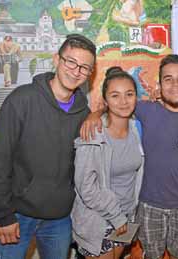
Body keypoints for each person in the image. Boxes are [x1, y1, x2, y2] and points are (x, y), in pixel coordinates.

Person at [80, 54, 178, 259]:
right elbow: (117, 103)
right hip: (148, 206)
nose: (175, 84)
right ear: (159, 84)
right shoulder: (146, 109)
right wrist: (94, 114)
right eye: (168, 79)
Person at [0, 34, 96, 259]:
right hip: (16, 215)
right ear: (57, 59)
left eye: (84, 68)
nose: (76, 71)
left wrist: (99, 112)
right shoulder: (22, 99)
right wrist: (3, 215)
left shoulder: (84, 114)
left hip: (60, 219)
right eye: (71, 62)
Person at [72, 67, 144, 259]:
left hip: (126, 217)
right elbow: (85, 186)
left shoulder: (137, 128)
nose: (123, 101)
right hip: (99, 221)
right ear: (105, 101)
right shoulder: (92, 133)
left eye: (129, 94)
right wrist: (116, 216)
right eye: (115, 95)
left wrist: (126, 217)